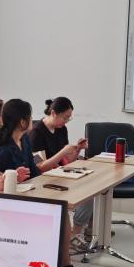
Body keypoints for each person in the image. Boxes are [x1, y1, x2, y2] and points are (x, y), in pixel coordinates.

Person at [0, 99, 85, 267]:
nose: (32, 120)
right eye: (29, 117)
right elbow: (5, 182)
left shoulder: (24, 140)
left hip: (31, 190)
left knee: (63, 214)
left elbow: (35, 170)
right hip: (15, 199)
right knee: (52, 219)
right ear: (22, 121)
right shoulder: (3, 147)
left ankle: (66, 265)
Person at [27, 96, 93, 248]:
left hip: (60, 173)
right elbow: (40, 167)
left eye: (69, 118)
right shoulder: (36, 133)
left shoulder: (61, 129)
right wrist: (63, 151)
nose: (66, 121)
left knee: (92, 185)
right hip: (44, 179)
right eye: (65, 117)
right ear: (53, 113)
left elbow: (67, 161)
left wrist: (78, 149)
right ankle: (75, 233)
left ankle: (86, 229)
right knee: (87, 192)